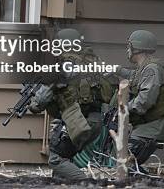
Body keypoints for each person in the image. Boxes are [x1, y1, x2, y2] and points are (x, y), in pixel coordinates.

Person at [29, 28, 114, 180]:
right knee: (64, 159)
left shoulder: (59, 66)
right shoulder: (94, 62)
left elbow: (39, 103)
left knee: (56, 159)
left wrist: (33, 102)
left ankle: (86, 183)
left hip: (77, 122)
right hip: (95, 121)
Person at [115, 30, 164, 166]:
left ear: (136, 48)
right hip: (149, 126)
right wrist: (119, 70)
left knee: (125, 162)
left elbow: (145, 101)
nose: (127, 50)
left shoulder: (151, 70)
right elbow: (137, 76)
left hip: (154, 128)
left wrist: (123, 108)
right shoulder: (147, 68)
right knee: (125, 161)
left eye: (129, 47)